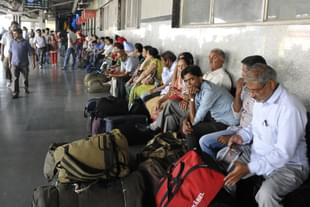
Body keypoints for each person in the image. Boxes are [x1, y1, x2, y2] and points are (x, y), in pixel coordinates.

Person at [224, 63, 309, 207]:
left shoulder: (289, 108)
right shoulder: (261, 99)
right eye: (248, 90)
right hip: (260, 155)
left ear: (270, 84)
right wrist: (241, 136)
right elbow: (254, 126)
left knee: (266, 194)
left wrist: (249, 168)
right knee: (225, 165)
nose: (252, 95)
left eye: (255, 90)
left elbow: (283, 153)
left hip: (289, 166)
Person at [199, 55, 267, 158]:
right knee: (204, 141)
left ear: (255, 73)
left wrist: (237, 136)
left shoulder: (263, 94)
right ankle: (210, 170)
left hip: (250, 136)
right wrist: (238, 92)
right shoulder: (245, 88)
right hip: (238, 128)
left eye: (244, 71)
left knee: (220, 155)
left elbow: (258, 128)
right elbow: (236, 114)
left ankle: (217, 171)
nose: (241, 74)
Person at [144, 65, 238, 136]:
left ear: (200, 77)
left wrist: (191, 97)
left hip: (225, 122)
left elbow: (194, 121)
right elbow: (194, 108)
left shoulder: (208, 91)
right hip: (209, 115)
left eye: (191, 79)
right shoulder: (197, 87)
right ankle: (164, 140)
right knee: (170, 118)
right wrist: (185, 119)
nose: (188, 84)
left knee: (173, 107)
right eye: (186, 81)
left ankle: (152, 129)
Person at [9, 28, 35, 98]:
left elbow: (31, 53)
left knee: (25, 78)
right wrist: (9, 62)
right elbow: (10, 52)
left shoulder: (26, 42)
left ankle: (26, 87)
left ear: (20, 34)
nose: (14, 35)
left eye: (15, 33)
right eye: (13, 34)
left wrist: (33, 63)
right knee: (15, 78)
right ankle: (15, 92)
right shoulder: (12, 42)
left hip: (24, 64)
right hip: (14, 63)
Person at [1, 21, 19, 87]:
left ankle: (15, 80)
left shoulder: (18, 34)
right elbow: (2, 45)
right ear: (10, 27)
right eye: (13, 26)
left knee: (15, 69)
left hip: (15, 55)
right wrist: (2, 54)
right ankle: (9, 79)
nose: (15, 28)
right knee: (6, 66)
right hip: (7, 55)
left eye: (16, 26)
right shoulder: (6, 34)